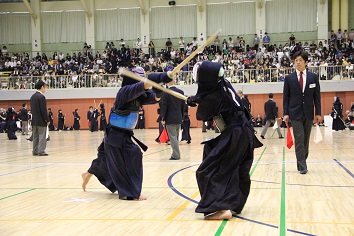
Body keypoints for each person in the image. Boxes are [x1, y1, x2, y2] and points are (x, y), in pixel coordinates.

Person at [186, 61, 262, 220]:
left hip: (235, 134)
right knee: (237, 169)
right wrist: (197, 99)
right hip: (244, 133)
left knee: (209, 170)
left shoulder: (213, 96)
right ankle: (234, 205)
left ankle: (220, 208)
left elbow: (202, 116)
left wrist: (193, 101)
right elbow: (210, 97)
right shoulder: (224, 85)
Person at [81, 67, 172, 200]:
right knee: (133, 155)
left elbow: (154, 98)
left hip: (120, 134)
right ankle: (130, 192)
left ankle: (87, 174)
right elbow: (143, 86)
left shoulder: (139, 97)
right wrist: (159, 77)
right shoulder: (125, 92)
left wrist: (160, 89)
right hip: (115, 134)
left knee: (104, 158)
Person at [283, 51, 322, 174]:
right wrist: (286, 113)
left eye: (300, 60)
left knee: (305, 140)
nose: (298, 62)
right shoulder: (289, 78)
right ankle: (302, 166)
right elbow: (286, 97)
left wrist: (318, 113)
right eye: (296, 60)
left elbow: (317, 97)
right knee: (299, 139)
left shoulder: (313, 77)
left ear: (306, 62)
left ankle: (302, 161)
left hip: (309, 113)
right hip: (295, 113)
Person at [160, 78, 185, 160]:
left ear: (167, 83)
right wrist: (182, 117)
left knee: (173, 137)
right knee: (176, 137)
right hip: (178, 117)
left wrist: (163, 118)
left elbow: (164, 106)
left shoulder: (165, 92)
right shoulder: (181, 92)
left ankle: (176, 155)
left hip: (170, 118)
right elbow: (183, 106)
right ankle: (176, 153)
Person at [30, 80, 50, 156]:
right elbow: (43, 110)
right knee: (42, 136)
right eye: (45, 87)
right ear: (42, 87)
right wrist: (47, 120)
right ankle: (41, 151)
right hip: (41, 121)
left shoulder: (33, 96)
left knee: (35, 136)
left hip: (34, 120)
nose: (45, 89)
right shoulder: (41, 97)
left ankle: (35, 151)